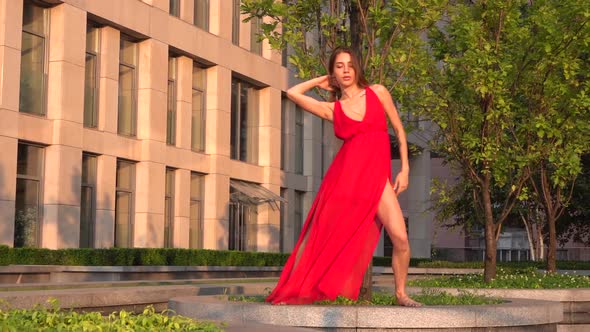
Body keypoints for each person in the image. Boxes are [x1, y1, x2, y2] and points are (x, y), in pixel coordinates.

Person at [266, 46, 421, 307]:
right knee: (324, 235)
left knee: (401, 238)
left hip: (377, 180)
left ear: (357, 67)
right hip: (346, 180)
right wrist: (320, 80)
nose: (346, 70)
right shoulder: (333, 109)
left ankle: (401, 294)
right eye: (339, 66)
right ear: (333, 73)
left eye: (350, 64)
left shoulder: (378, 92)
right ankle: (299, 287)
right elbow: (293, 92)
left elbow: (398, 129)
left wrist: (404, 169)